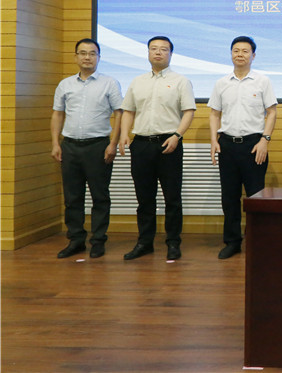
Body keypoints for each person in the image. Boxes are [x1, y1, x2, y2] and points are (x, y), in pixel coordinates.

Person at [119, 36, 196, 261]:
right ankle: (145, 242)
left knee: (172, 198)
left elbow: (189, 111)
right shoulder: (137, 81)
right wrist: (124, 134)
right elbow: (128, 111)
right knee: (144, 199)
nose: (158, 52)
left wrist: (177, 136)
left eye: (163, 49)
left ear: (171, 54)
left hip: (168, 144)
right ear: (148, 53)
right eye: (154, 49)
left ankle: (173, 243)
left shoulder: (181, 81)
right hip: (141, 144)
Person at [50, 38, 123, 259]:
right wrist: (55, 143)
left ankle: (98, 240)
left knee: (100, 196)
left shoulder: (109, 83)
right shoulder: (65, 84)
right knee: (72, 197)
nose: (87, 57)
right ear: (76, 57)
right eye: (83, 53)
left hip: (98, 146)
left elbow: (119, 113)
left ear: (99, 57)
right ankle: (76, 240)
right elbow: (58, 114)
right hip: (70, 146)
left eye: (92, 53)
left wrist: (113, 143)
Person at [208, 36, 277, 259]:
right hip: (227, 145)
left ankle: (258, 241)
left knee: (256, 196)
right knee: (229, 197)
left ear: (253, 56)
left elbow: (272, 112)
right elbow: (214, 114)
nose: (240, 54)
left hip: (254, 145)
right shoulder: (222, 83)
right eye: (236, 50)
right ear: (231, 54)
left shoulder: (262, 81)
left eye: (245, 51)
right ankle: (232, 242)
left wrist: (265, 140)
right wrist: (214, 140)